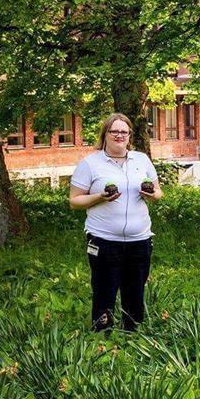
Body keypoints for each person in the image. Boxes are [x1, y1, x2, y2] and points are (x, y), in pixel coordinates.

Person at [69, 113, 162, 332]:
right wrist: (99, 197)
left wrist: (151, 195)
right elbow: (75, 201)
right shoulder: (91, 163)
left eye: (124, 132)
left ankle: (133, 335)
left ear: (130, 135)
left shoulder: (141, 160)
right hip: (104, 241)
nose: (119, 135)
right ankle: (102, 336)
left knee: (135, 290)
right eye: (115, 131)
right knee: (104, 290)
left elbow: (158, 192)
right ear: (106, 134)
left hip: (140, 240)